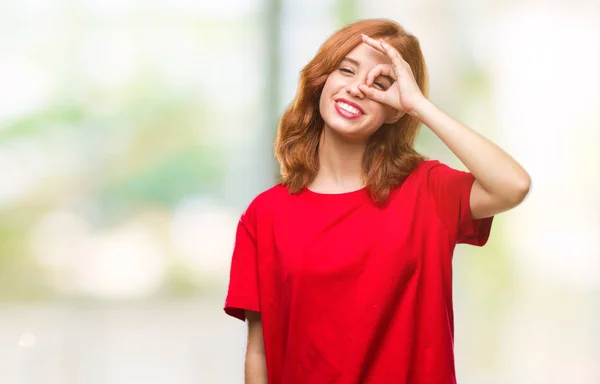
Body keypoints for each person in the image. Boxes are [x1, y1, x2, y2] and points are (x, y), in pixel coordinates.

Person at [223, 18, 530, 384]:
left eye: (380, 84)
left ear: (395, 108)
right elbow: (258, 352)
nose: (357, 89)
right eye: (346, 70)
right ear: (322, 79)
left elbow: (513, 185)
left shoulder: (428, 190)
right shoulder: (266, 214)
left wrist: (418, 104)